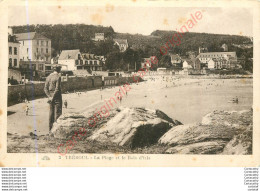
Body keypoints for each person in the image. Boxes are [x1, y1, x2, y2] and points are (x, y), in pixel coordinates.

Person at [44, 65, 62, 131]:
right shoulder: (58, 77)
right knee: (58, 113)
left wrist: (49, 97)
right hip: (57, 96)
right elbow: (57, 89)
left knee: (51, 113)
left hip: (50, 96)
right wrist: (53, 97)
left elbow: (45, 89)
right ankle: (56, 131)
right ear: (59, 69)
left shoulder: (48, 77)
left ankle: (50, 130)